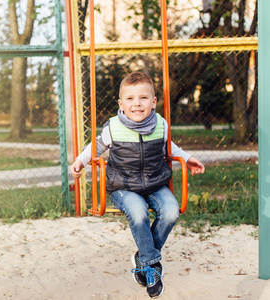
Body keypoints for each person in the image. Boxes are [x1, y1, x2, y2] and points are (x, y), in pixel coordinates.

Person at [70, 72, 205, 299]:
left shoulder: (160, 124)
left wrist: (188, 158)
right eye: (130, 99)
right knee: (138, 211)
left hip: (155, 183)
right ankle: (151, 266)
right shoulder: (113, 128)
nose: (137, 104)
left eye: (143, 98)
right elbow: (95, 147)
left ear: (153, 102)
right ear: (121, 104)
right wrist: (80, 161)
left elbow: (170, 148)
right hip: (122, 186)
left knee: (171, 211)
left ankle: (143, 257)